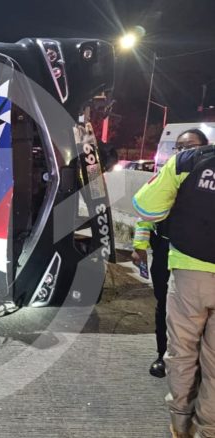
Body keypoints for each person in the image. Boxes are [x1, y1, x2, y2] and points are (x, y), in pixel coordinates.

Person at [133, 141, 215, 437]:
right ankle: (209, 431)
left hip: (190, 273)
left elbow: (145, 207)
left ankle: (181, 424)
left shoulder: (189, 161)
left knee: (182, 353)